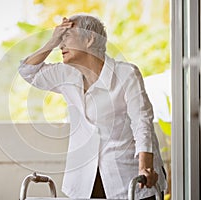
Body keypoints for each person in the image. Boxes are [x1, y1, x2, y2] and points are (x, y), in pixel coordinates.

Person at [18, 14, 167, 199]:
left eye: (66, 37)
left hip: (129, 177)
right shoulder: (65, 74)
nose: (60, 45)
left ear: (89, 39)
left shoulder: (126, 74)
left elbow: (141, 121)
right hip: (85, 181)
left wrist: (145, 168)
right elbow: (27, 71)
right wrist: (51, 41)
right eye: (60, 39)